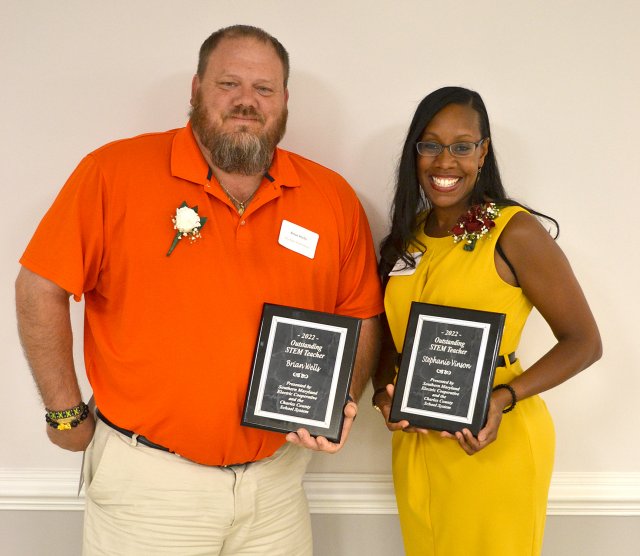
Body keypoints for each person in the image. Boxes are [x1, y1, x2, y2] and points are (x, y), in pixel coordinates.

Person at [15, 25, 383, 555]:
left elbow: (360, 313)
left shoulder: (331, 197)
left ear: (284, 101)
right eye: (228, 83)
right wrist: (64, 413)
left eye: (264, 89)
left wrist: (340, 399)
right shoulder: (113, 173)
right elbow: (39, 286)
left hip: (276, 490)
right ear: (195, 90)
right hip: (150, 490)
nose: (246, 102)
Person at [372, 86, 601, 555]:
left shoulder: (514, 231)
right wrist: (383, 395)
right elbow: (392, 344)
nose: (444, 162)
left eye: (461, 146)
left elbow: (584, 342)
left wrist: (502, 398)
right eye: (430, 145)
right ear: (415, 152)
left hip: (494, 436)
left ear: (483, 152)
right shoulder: (406, 239)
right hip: (417, 445)